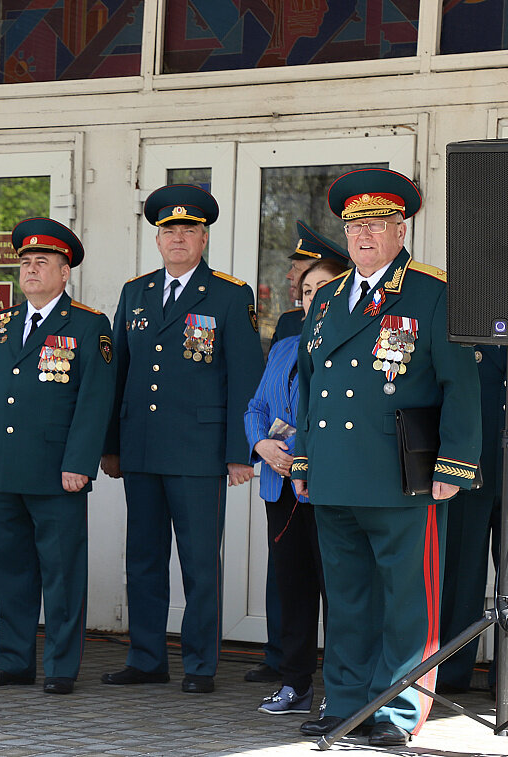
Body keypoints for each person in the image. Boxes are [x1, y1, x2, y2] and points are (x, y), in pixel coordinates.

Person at [292, 168, 480, 746]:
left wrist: (454, 463)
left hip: (403, 477)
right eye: (354, 226)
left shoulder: (432, 291)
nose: (364, 235)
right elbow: (308, 385)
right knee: (347, 600)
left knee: (407, 604)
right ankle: (347, 702)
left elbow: (459, 386)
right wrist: (303, 462)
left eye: (377, 224)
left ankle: (397, 715)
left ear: (402, 230)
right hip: (335, 473)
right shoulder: (325, 298)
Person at [101, 184, 263, 694]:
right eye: (168, 229)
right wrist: (111, 445)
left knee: (198, 564)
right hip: (143, 448)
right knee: (144, 559)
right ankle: (147, 658)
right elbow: (118, 373)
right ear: (157, 238)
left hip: (200, 451)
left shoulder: (229, 294)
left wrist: (241, 451)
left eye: (187, 229)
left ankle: (200, 664)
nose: (177, 237)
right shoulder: (137, 293)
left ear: (204, 237)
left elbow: (245, 376)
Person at [0, 218, 114, 695]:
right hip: (6, 468)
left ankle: (62, 667)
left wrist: (79, 464)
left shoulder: (89, 326)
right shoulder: (0, 324)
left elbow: (95, 401)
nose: (30, 270)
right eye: (25, 263)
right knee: (11, 571)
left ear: (64, 273)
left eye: (41, 263)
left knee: (62, 574)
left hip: (57, 473)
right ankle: (12, 660)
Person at [245, 255, 347, 715]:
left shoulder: (352, 347)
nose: (314, 298)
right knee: (293, 589)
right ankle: (295, 684)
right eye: (308, 292)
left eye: (324, 288)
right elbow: (256, 408)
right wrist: (261, 446)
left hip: (327, 488)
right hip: (280, 489)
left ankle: (343, 693)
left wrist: (302, 455)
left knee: (339, 593)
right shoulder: (285, 346)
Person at [438, 344, 504, 694]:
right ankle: (450, 668)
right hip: (470, 468)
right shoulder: (468, 313)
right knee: (461, 575)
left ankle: (505, 679)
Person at [270, 221, 351, 344]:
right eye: (308, 290)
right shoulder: (288, 323)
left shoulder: (352, 324)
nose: (288, 275)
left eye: (296, 268)